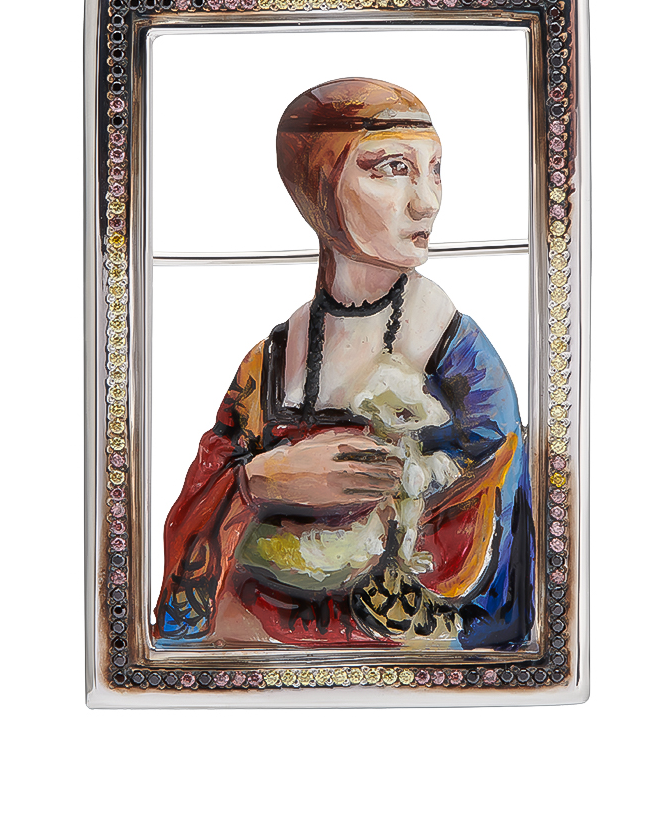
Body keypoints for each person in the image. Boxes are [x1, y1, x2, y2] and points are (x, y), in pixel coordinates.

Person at [154, 78, 533, 649]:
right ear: (320, 185)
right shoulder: (271, 363)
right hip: (259, 650)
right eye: (394, 169)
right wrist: (260, 482)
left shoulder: (456, 354)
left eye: (434, 170)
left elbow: (506, 514)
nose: (427, 202)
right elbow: (198, 519)